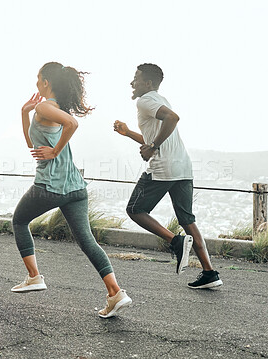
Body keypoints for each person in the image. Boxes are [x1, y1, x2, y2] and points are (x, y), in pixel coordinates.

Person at [11, 61, 132, 318]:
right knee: (87, 241)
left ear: (46, 82)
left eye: (38, 78)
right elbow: (33, 144)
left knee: (19, 221)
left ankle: (34, 276)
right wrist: (24, 114)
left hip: (49, 186)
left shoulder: (46, 107)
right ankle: (115, 293)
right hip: (75, 187)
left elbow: (72, 125)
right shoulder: (48, 109)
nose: (36, 83)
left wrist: (54, 151)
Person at [114, 63, 222, 289]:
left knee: (135, 209)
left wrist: (153, 146)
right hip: (182, 167)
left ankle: (176, 242)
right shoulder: (160, 100)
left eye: (136, 78)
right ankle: (210, 273)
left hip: (163, 168)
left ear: (148, 83)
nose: (131, 83)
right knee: (187, 220)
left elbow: (172, 119)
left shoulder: (144, 101)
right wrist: (129, 134)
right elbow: (155, 134)